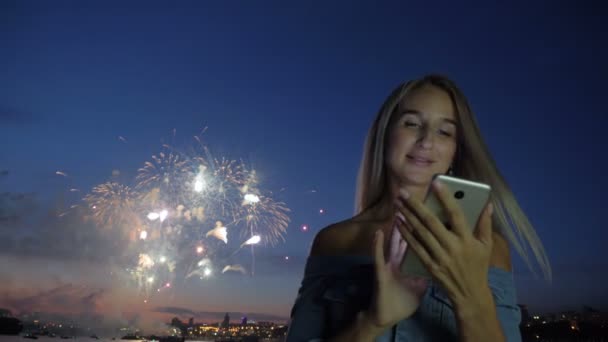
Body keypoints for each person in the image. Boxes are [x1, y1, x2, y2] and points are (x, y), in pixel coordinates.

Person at [285, 74, 551, 342]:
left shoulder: (486, 247)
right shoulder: (335, 241)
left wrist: (472, 298)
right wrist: (372, 322)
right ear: (385, 135)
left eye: (445, 131)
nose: (426, 141)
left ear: (454, 152)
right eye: (411, 124)